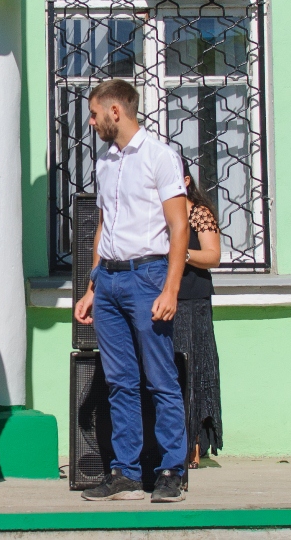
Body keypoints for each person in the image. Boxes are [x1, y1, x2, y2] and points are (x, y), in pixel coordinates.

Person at [74, 78, 189, 503]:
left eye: (93, 114)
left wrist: (171, 289)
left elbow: (179, 226)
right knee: (119, 381)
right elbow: (104, 225)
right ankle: (125, 472)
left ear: (115, 111)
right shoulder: (105, 162)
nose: (91, 122)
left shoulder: (160, 156)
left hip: (148, 277)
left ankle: (172, 470)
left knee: (160, 378)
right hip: (108, 281)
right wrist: (92, 286)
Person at [173, 161, 223, 468]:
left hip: (193, 301)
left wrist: (182, 252)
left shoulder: (198, 212)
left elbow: (213, 256)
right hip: (162, 299)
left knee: (193, 370)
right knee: (169, 373)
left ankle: (194, 441)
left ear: (186, 180)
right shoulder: (159, 213)